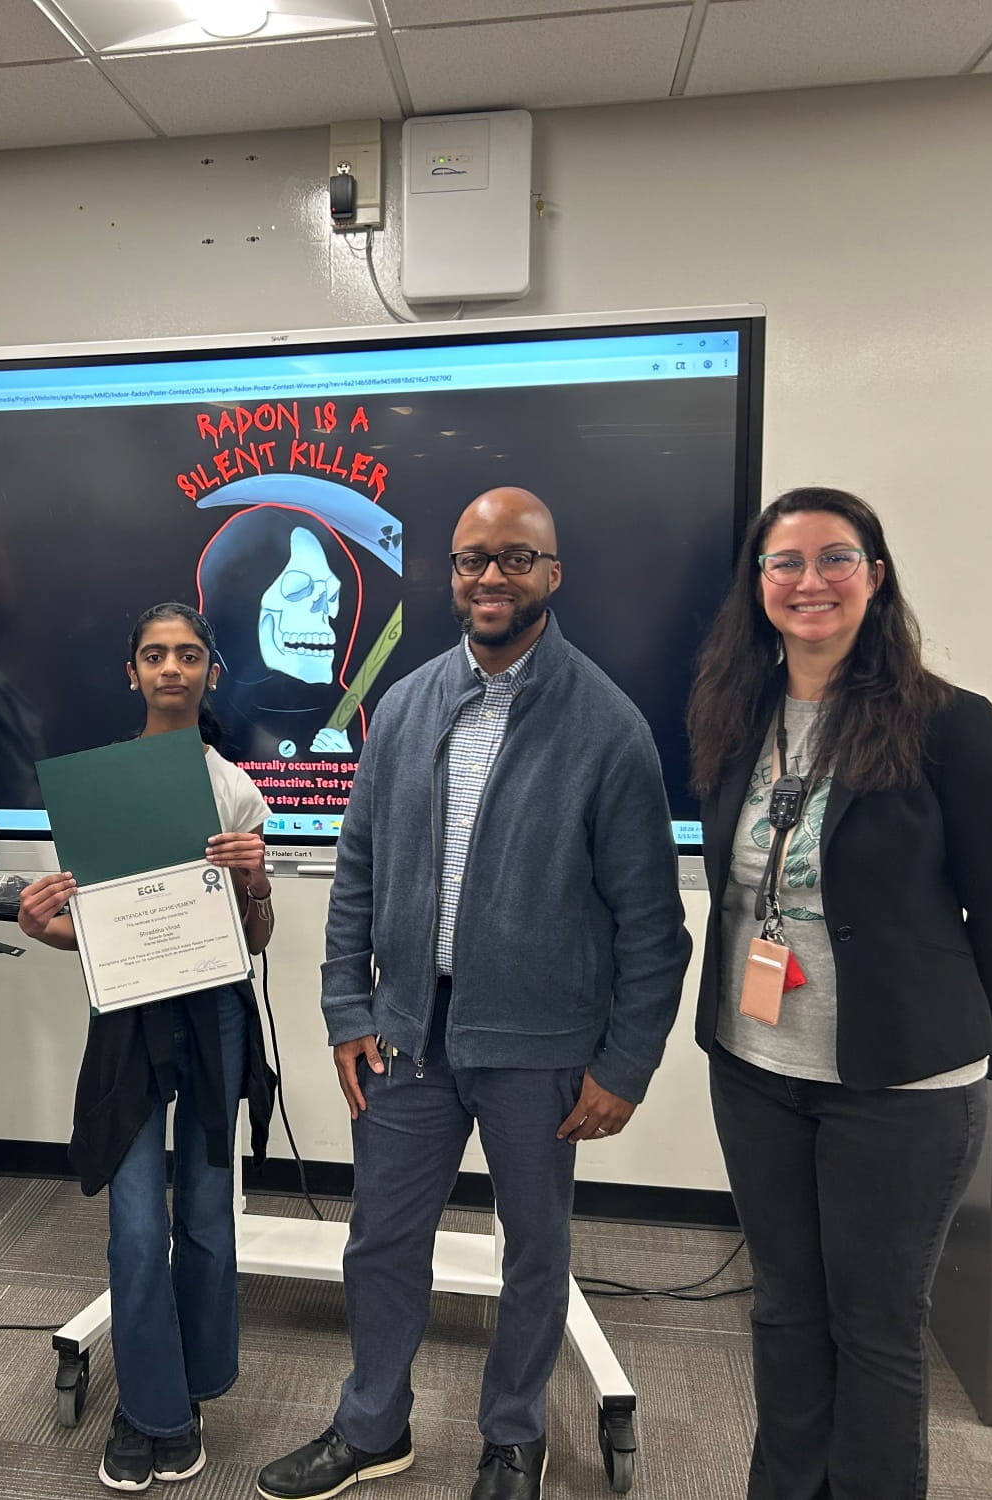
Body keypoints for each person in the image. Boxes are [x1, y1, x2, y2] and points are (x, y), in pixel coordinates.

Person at [258, 487, 692, 1500]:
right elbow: (357, 873)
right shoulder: (407, 706)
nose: (489, 576)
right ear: (450, 575)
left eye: (513, 558)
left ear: (552, 574)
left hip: (540, 1047)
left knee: (533, 1252)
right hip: (409, 1034)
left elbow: (651, 926)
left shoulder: (608, 727)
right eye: (470, 559)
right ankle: (372, 1427)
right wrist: (346, 1009)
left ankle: (512, 1439)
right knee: (380, 1241)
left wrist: (626, 1064)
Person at [685, 486, 992, 1499]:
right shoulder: (733, 716)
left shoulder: (950, 726)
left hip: (899, 1085)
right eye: (785, 562)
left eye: (834, 558)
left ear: (875, 577)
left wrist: (958, 1037)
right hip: (755, 1066)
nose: (809, 581)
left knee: (876, 1328)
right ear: (758, 584)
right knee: (782, 1310)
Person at [15, 602, 279, 1493]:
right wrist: (41, 925)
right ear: (131, 672)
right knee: (135, 1225)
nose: (172, 668)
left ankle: (192, 1390)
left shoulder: (235, 789)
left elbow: (256, 938)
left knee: (204, 1216)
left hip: (214, 1019)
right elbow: (94, 935)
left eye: (189, 655)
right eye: (155, 655)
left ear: (211, 673)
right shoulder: (95, 788)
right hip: (129, 1022)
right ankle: (147, 1409)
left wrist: (256, 883)